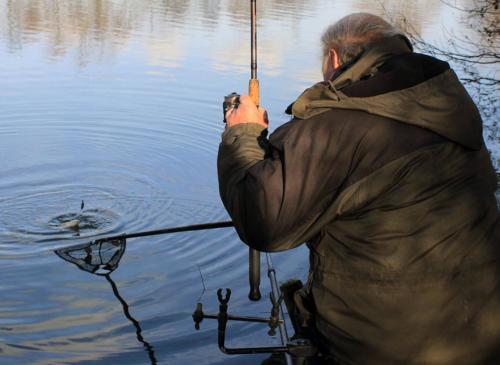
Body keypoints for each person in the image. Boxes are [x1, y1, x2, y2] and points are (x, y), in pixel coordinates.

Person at [218, 12, 500, 365]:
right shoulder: (448, 106)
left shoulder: (341, 126)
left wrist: (242, 132)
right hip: (480, 336)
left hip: (383, 349)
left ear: (335, 59)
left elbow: (262, 220)